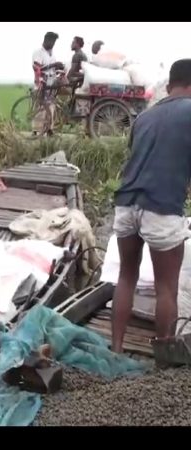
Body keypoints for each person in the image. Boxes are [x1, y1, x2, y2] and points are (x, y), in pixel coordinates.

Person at [111, 59, 191, 354]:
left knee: (126, 277)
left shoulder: (145, 116)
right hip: (161, 206)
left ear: (169, 87)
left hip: (126, 204)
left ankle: (116, 350)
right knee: (166, 288)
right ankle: (163, 362)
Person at [32, 32, 65, 136]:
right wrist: (53, 64)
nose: (53, 44)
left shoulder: (52, 54)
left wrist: (58, 68)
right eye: (52, 41)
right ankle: (37, 131)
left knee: (51, 107)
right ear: (46, 40)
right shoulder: (38, 52)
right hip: (42, 82)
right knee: (41, 107)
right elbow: (38, 68)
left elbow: (51, 68)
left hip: (51, 83)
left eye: (54, 42)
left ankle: (49, 130)